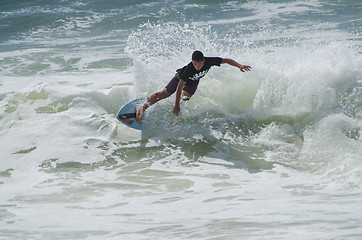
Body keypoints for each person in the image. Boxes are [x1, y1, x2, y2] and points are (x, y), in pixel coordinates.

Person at [136, 50, 251, 123]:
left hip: (193, 82)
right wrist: (177, 106)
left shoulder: (209, 61)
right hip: (179, 80)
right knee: (163, 95)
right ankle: (142, 107)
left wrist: (239, 65)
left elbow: (227, 60)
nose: (196, 66)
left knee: (185, 98)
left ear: (203, 61)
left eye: (198, 64)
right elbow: (179, 88)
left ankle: (172, 106)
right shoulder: (188, 70)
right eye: (194, 63)